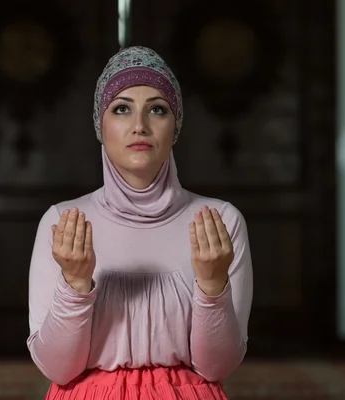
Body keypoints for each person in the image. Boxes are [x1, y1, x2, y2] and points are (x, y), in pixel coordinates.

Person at [27, 46, 253, 400]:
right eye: (121, 109)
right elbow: (58, 369)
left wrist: (212, 286)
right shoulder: (63, 222)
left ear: (174, 126)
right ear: (100, 125)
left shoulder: (220, 221)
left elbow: (217, 368)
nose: (139, 126)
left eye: (157, 109)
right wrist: (74, 284)